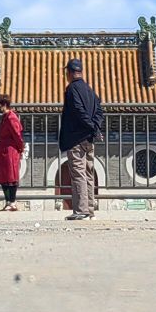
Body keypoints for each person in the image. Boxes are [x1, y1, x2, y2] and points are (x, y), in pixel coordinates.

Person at [58, 58, 104, 222]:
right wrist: (95, 127)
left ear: (68, 73)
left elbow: (78, 110)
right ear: (81, 71)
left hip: (76, 137)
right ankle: (90, 211)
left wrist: (90, 125)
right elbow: (99, 110)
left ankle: (81, 210)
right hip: (89, 140)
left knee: (78, 174)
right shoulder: (90, 90)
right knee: (88, 174)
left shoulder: (71, 89)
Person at [0, 91, 25, 211]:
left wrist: (20, 148)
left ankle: (12, 202)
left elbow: (17, 135)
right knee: (3, 177)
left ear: (4, 104)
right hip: (3, 148)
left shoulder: (12, 117)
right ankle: (8, 201)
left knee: (11, 176)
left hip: (10, 150)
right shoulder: (5, 117)